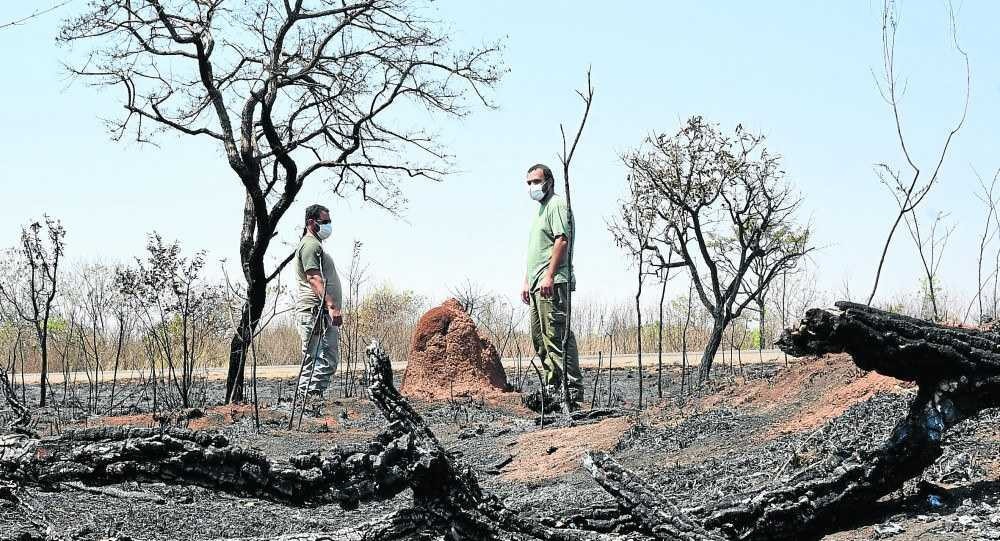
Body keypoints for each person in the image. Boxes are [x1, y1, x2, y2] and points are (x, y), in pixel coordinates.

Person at [520, 163, 584, 406]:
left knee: (557, 336)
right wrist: (527, 281)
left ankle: (572, 392)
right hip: (537, 285)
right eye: (529, 183)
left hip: (553, 283)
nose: (532, 187)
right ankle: (553, 388)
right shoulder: (539, 212)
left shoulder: (557, 204)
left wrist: (549, 276)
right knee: (540, 338)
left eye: (536, 182)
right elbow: (536, 251)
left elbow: (561, 240)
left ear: (549, 182)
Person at [294, 204, 343, 398]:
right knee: (319, 359)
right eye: (325, 222)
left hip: (318, 313)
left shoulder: (315, 245)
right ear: (311, 222)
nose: (328, 226)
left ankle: (309, 399)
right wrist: (331, 307)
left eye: (330, 222)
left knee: (321, 359)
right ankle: (308, 400)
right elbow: (313, 278)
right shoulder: (310, 245)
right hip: (314, 312)